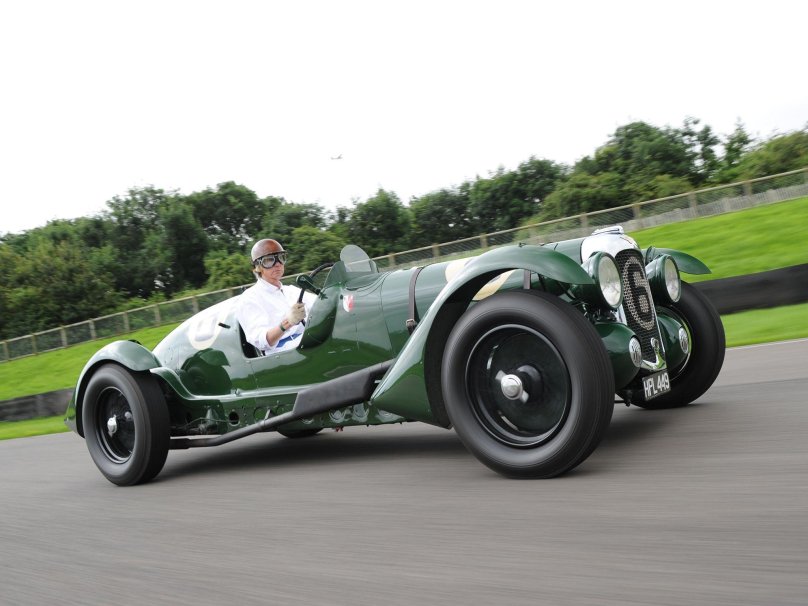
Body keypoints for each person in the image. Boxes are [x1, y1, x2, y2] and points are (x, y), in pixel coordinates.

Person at [236, 238, 316, 355]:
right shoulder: (249, 298)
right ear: (258, 267)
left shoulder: (291, 290)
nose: (278, 264)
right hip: (281, 353)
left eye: (281, 258)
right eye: (269, 260)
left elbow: (320, 303)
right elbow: (262, 341)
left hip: (306, 339)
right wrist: (288, 322)